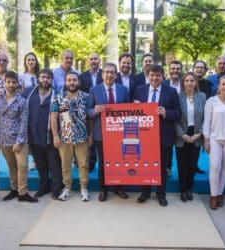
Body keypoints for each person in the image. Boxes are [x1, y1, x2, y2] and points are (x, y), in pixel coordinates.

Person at [134, 64, 181, 207]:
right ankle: (145, 192)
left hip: (163, 135)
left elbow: (178, 112)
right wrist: (135, 106)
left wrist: (166, 112)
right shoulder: (139, 90)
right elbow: (133, 112)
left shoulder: (171, 92)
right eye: (152, 75)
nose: (155, 78)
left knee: (161, 167)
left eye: (158, 75)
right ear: (148, 76)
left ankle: (161, 194)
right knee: (145, 165)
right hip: (144, 136)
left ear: (162, 76)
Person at [87, 63, 130, 201]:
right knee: (104, 162)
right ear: (102, 74)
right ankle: (103, 189)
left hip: (120, 133)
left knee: (120, 161)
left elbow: (129, 109)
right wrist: (94, 111)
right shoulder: (94, 89)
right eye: (106, 72)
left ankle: (119, 188)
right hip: (101, 133)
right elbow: (88, 109)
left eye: (112, 73)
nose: (109, 75)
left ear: (116, 75)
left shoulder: (123, 89)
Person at [0, 71, 38, 202]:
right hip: (4, 139)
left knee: (22, 166)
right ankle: (14, 189)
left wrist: (19, 141)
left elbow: (24, 123)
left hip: (19, 140)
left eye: (14, 82)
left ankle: (23, 193)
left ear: (17, 84)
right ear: (4, 83)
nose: (11, 84)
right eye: (8, 82)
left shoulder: (22, 101)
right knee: (11, 165)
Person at [51, 72, 90, 201]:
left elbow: (90, 118)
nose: (72, 82)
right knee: (65, 164)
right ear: (65, 82)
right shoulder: (58, 97)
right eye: (69, 80)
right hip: (64, 137)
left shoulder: (86, 97)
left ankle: (84, 188)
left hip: (82, 137)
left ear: (78, 82)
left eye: (74, 80)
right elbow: (53, 117)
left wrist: (91, 135)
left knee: (83, 164)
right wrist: (55, 136)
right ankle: (67, 188)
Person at [203, 75, 225, 210]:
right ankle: (213, 195)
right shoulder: (211, 101)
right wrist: (206, 139)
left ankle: (220, 194)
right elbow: (206, 122)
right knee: (215, 166)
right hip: (215, 138)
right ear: (218, 86)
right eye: (223, 84)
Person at [27, 69, 63, 200]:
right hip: (34, 135)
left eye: (48, 77)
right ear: (38, 78)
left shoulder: (57, 94)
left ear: (52, 80)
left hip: (50, 136)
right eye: (43, 77)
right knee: (40, 164)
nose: (45, 80)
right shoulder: (29, 93)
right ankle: (44, 186)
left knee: (54, 164)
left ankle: (56, 188)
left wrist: (58, 135)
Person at [174, 72, 205, 202]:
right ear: (183, 83)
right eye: (187, 80)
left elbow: (207, 118)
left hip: (196, 133)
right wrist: (182, 134)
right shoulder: (177, 97)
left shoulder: (202, 97)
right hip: (182, 134)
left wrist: (200, 133)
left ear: (195, 83)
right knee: (182, 164)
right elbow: (175, 119)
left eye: (192, 80)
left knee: (192, 164)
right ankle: (182, 190)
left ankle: (188, 189)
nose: (189, 83)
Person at [79, 52, 103, 173]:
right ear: (88, 61)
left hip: (103, 111)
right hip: (87, 111)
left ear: (99, 60)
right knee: (90, 136)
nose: (93, 61)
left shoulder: (105, 74)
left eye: (95, 58)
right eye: (91, 59)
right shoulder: (82, 76)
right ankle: (91, 162)